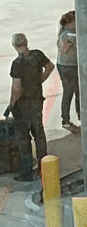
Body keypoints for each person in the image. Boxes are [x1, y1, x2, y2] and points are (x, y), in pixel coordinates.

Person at [6, 33, 54, 173]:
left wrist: (11, 104)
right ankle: (43, 168)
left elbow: (16, 88)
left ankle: (27, 171)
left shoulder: (17, 63)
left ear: (14, 45)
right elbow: (50, 67)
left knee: (23, 137)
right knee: (39, 133)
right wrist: (39, 81)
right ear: (26, 42)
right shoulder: (37, 55)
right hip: (37, 100)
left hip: (22, 105)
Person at [56, 10, 80, 134]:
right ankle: (65, 120)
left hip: (74, 65)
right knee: (69, 92)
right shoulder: (65, 34)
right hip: (66, 67)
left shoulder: (72, 32)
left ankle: (80, 115)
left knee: (78, 91)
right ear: (70, 22)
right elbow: (63, 49)